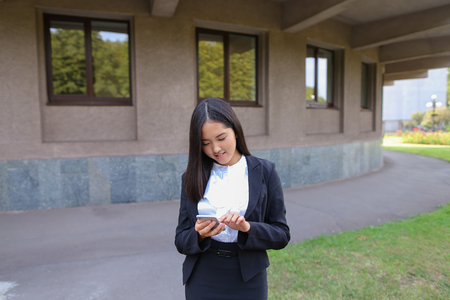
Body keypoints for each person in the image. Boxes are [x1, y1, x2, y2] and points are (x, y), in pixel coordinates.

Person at [175, 98, 290, 300]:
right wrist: (199, 235)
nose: (215, 149)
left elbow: (281, 234)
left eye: (221, 138)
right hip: (203, 276)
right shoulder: (191, 177)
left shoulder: (264, 172)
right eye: (205, 143)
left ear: (235, 130)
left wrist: (248, 229)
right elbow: (181, 240)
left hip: (248, 278)